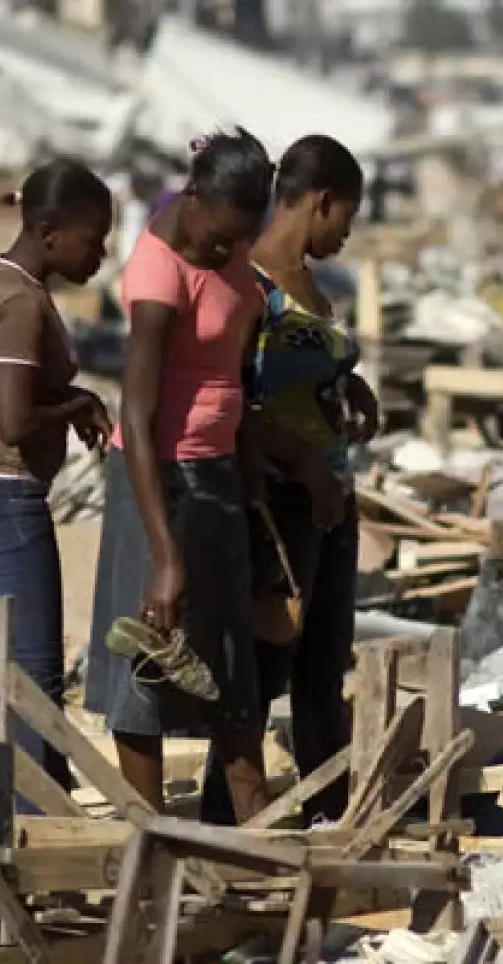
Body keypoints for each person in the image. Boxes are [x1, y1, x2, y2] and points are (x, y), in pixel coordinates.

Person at [85, 128, 274, 821]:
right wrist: (164, 554)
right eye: (221, 237)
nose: (229, 251)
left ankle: (252, 838)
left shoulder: (235, 247)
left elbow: (239, 361)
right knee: (148, 661)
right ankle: (150, 838)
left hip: (217, 475)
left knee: (224, 658)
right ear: (191, 197)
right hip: (156, 480)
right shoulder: (157, 272)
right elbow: (135, 419)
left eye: (241, 239)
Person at [200, 134, 377, 827]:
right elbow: (228, 399)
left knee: (323, 674)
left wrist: (350, 384)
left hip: (332, 500)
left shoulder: (312, 286)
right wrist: (302, 465)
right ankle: (225, 820)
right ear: (320, 202)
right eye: (346, 217)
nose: (347, 233)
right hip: (279, 506)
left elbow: (305, 371)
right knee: (265, 671)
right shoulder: (250, 285)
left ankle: (326, 816)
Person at [0, 160, 114, 799]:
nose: (102, 252)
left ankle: (4, 831)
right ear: (52, 232)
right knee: (31, 685)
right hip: (1, 497)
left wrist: (27, 389)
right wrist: (76, 403)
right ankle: (29, 844)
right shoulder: (24, 303)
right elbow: (11, 423)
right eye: (95, 238)